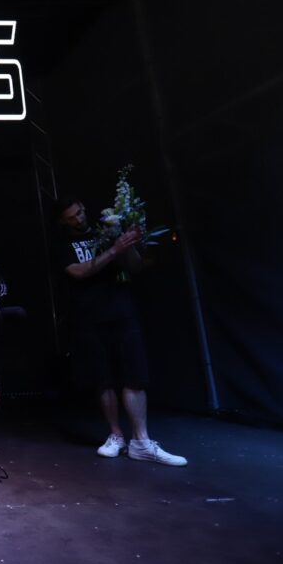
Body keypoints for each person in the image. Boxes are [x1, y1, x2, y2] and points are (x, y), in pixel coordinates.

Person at [55, 196, 187, 466]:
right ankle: (116, 435)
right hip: (88, 318)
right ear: (62, 222)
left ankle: (142, 441)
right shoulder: (62, 245)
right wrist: (113, 251)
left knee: (134, 375)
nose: (79, 219)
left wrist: (126, 243)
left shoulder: (106, 232)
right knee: (103, 379)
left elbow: (135, 266)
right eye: (72, 217)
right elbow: (79, 272)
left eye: (80, 212)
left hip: (122, 311)